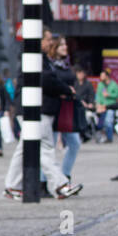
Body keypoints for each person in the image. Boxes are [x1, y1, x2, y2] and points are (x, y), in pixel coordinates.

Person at [3, 33, 82, 200]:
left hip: (33, 108)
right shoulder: (34, 57)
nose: (49, 42)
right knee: (44, 146)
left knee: (25, 148)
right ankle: (60, 184)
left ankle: (12, 185)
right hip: (36, 109)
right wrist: (66, 90)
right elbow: (46, 80)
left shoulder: (38, 58)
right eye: (46, 39)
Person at [47, 37, 85, 180]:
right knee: (50, 146)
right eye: (61, 44)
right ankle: (45, 180)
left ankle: (65, 175)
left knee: (74, 143)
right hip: (55, 106)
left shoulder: (65, 64)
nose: (65, 47)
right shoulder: (50, 65)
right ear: (54, 46)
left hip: (68, 108)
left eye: (65, 44)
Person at [94, 68, 118, 142]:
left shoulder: (114, 84)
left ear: (107, 76)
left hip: (110, 106)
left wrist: (109, 95)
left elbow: (117, 95)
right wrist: (98, 105)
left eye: (102, 76)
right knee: (101, 123)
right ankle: (102, 137)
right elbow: (98, 96)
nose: (101, 77)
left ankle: (109, 138)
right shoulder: (100, 85)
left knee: (108, 121)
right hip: (102, 106)